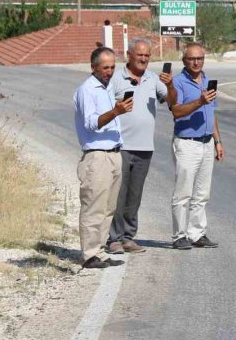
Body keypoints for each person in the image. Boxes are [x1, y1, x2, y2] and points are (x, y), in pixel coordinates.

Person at [107, 37, 176, 255]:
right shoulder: (116, 78)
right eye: (140, 55)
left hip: (145, 147)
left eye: (147, 55)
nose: (144, 59)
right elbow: (105, 106)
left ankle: (128, 237)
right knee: (118, 195)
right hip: (120, 146)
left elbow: (172, 102)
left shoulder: (153, 79)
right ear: (129, 55)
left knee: (134, 196)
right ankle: (114, 239)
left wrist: (170, 85)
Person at [73, 46, 132, 269]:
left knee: (108, 208)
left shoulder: (107, 88)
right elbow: (91, 123)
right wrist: (116, 111)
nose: (109, 71)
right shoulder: (87, 89)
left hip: (114, 153)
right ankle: (89, 254)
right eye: (105, 67)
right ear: (93, 67)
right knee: (93, 207)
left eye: (112, 67)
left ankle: (99, 250)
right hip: (97, 156)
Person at [169, 43, 225, 249]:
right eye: (192, 59)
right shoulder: (177, 82)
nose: (196, 62)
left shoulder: (207, 81)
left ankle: (197, 233)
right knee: (183, 193)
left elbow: (212, 113)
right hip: (187, 143)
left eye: (200, 58)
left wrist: (217, 141)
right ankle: (179, 236)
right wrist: (199, 102)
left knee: (202, 193)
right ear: (184, 60)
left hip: (207, 142)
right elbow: (176, 111)